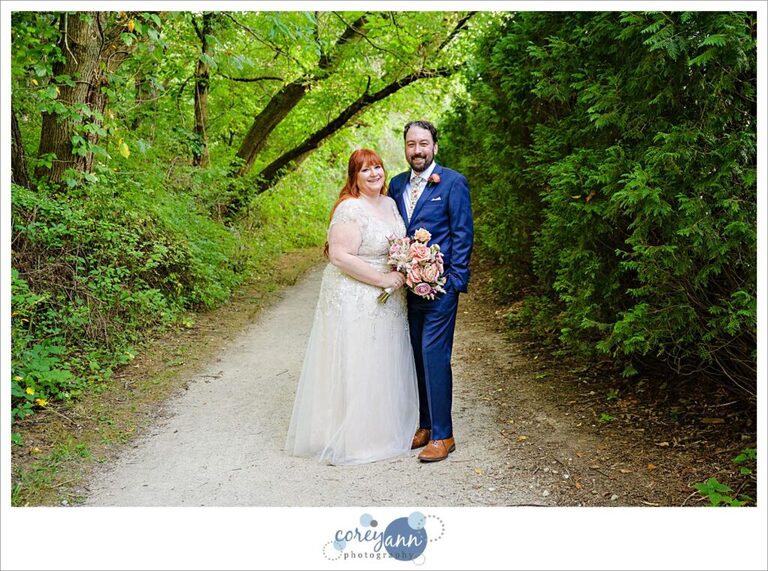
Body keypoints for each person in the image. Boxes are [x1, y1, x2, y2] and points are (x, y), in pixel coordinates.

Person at [285, 148, 419, 465]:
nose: (374, 174)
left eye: (377, 167)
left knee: (383, 361)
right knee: (358, 360)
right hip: (356, 293)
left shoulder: (389, 203)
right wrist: (382, 279)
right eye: (365, 170)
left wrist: (405, 268)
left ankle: (384, 430)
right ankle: (355, 439)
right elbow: (339, 257)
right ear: (354, 177)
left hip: (390, 294)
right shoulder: (349, 209)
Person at [388, 120, 474, 462]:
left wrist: (453, 283)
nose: (417, 150)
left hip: (440, 289)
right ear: (406, 148)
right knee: (415, 355)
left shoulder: (453, 182)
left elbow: (463, 234)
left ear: (435, 147)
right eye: (411, 144)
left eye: (424, 143)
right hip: (406, 291)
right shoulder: (396, 185)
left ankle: (444, 434)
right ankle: (424, 423)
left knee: (434, 354)